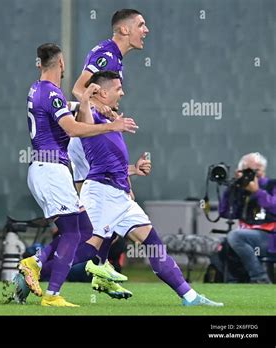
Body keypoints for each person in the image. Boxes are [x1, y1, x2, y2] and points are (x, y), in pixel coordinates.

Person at [78, 71, 223, 306]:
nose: (122, 92)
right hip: (101, 194)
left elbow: (111, 164)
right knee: (84, 250)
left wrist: (134, 169)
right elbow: (80, 113)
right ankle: (37, 264)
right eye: (118, 88)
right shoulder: (89, 115)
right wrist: (86, 95)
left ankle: (190, 297)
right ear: (102, 92)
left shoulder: (109, 119)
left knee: (154, 245)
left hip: (120, 196)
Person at [21, 43, 138, 307]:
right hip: (50, 169)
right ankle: (51, 295)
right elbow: (73, 129)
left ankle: (35, 265)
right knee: (73, 235)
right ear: (61, 64)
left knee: (83, 230)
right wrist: (111, 126)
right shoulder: (52, 94)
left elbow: (61, 107)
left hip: (48, 169)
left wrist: (86, 101)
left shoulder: (37, 89)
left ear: (40, 63)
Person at [66, 8, 151, 291]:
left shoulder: (115, 59)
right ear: (124, 30)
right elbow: (78, 90)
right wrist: (100, 108)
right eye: (141, 24)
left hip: (94, 132)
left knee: (108, 224)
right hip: (85, 135)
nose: (146, 30)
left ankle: (101, 272)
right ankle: (38, 265)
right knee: (93, 226)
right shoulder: (107, 54)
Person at [219, 152, 276, 284]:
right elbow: (226, 213)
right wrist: (232, 188)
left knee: (235, 236)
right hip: (247, 237)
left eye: (257, 170)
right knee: (224, 244)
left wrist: (257, 192)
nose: (254, 175)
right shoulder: (241, 189)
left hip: (270, 238)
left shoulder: (273, 185)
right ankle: (233, 285)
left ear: (263, 170)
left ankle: (259, 277)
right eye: (249, 171)